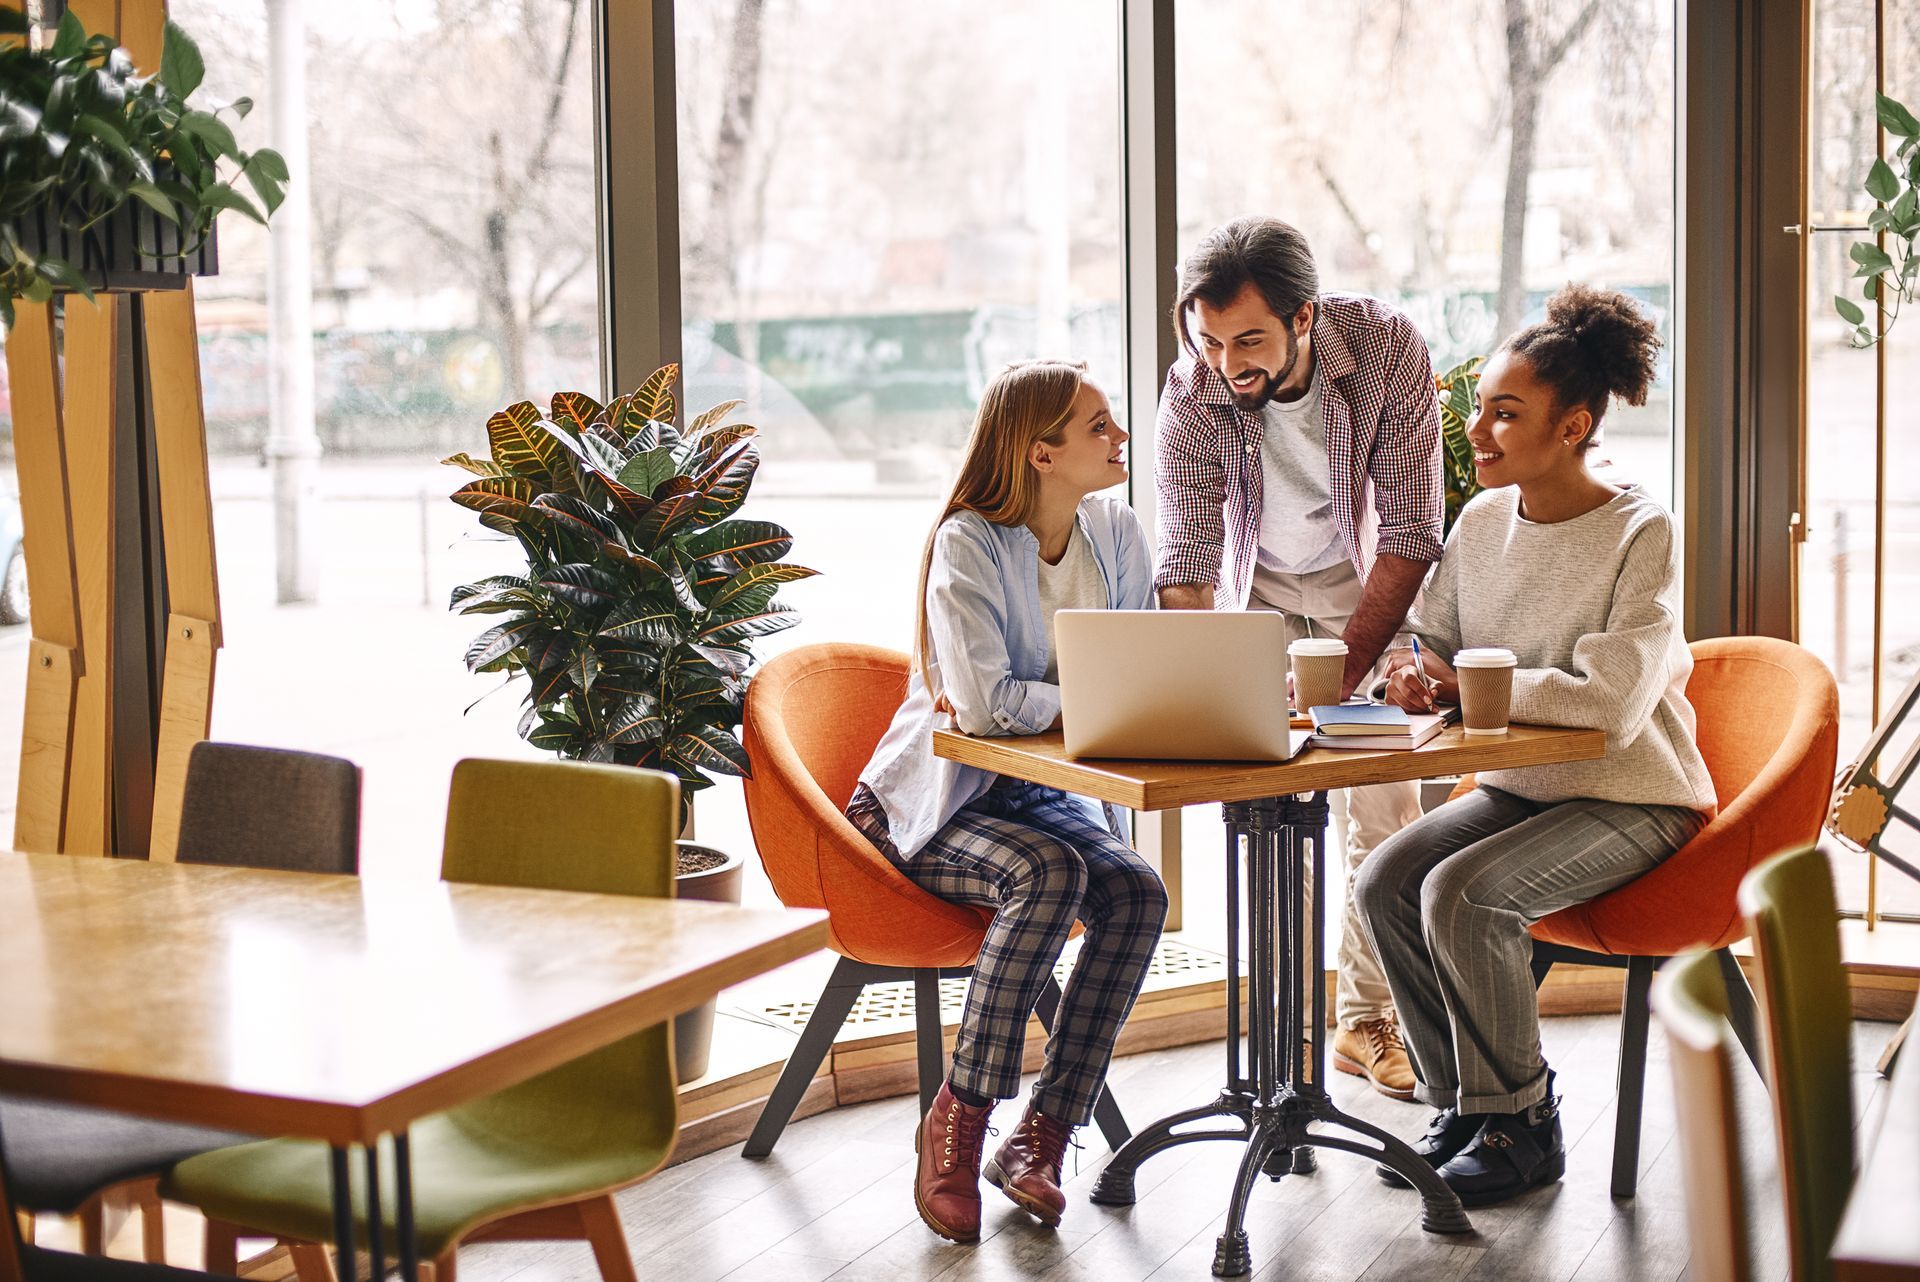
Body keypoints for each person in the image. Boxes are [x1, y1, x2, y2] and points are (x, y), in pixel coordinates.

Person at [1353, 284, 1716, 1207]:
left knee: (1463, 895)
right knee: (1386, 881)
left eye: (1505, 413)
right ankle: (1468, 1109)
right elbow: (1436, 645)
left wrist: (1475, 682)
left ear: (1573, 426)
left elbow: (1615, 704)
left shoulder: (1642, 530)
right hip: (1528, 787)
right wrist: (1413, 673)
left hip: (1636, 797)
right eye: (1480, 406)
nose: (1477, 430)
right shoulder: (1479, 523)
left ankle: (1525, 1127)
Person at [846, 360, 1169, 1244]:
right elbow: (984, 706)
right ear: (1039, 452)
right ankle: (960, 1121)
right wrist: (1094, 697)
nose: (1120, 438)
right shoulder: (968, 542)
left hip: (1043, 794)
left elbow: (1139, 674)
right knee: (1050, 874)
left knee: (1139, 891)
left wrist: (1080, 695)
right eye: (1100, 426)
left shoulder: (1117, 532)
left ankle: (1043, 1132)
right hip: (933, 805)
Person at [1154, 216, 1444, 1098]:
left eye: (1249, 340)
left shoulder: (1388, 350)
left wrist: (1342, 682)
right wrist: (1212, 685)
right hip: (1262, 598)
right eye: (1209, 340)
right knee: (1271, 816)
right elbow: (1188, 559)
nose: (1227, 363)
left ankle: (1363, 1020)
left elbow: (1408, 531)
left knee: (1384, 810)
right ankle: (1282, 1030)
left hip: (1369, 590)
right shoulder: (1194, 390)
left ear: (1305, 318)